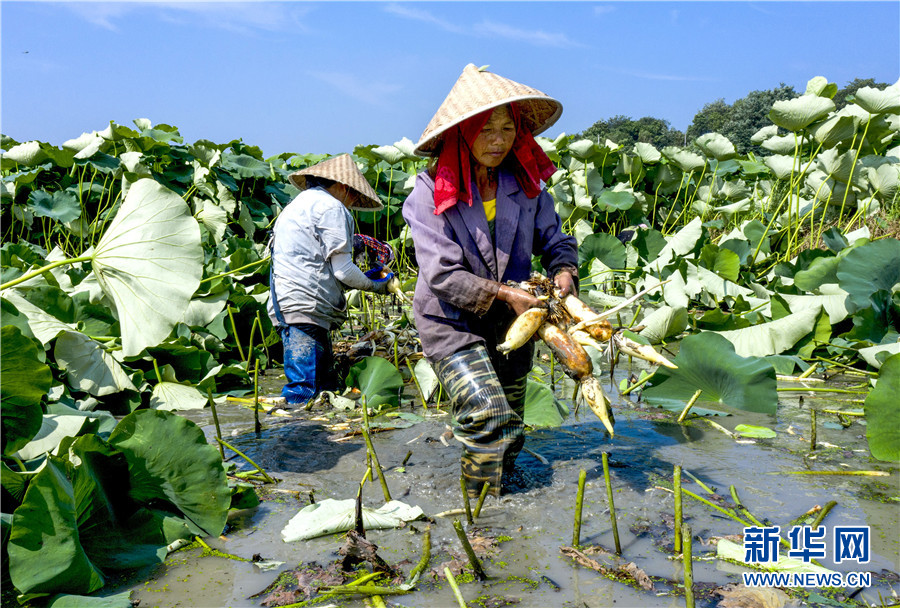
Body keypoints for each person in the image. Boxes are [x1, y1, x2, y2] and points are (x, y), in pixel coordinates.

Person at [402, 64, 579, 497]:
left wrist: (564, 272)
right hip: (451, 322)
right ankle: (479, 510)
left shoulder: (526, 187)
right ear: (461, 133)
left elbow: (557, 241)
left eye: (506, 129)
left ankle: (506, 504)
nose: (498, 141)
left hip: (514, 323)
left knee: (512, 426)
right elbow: (442, 274)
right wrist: (505, 293)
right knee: (487, 412)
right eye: (485, 130)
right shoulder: (427, 194)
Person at [268, 154, 394, 404]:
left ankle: (318, 441)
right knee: (304, 393)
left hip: (290, 305)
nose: (352, 203)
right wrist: (377, 286)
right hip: (306, 306)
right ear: (346, 187)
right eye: (354, 196)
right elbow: (344, 271)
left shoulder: (297, 205)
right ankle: (294, 438)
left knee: (324, 389)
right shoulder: (332, 207)